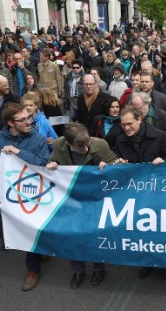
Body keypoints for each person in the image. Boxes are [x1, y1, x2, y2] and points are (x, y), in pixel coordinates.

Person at [0, 103, 49, 291]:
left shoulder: (38, 138)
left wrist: (18, 151)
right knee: (21, 231)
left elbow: (43, 164)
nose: (29, 121)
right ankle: (39, 250)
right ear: (10, 122)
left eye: (29, 117)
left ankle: (32, 269)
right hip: (9, 196)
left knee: (30, 229)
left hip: (33, 194)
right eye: (23, 120)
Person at [46, 122, 118, 289]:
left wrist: (108, 167)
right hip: (72, 199)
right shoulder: (58, 145)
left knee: (95, 234)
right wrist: (51, 165)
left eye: (87, 144)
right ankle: (78, 270)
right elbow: (52, 161)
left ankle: (98, 268)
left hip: (96, 198)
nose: (86, 149)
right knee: (73, 234)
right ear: (68, 143)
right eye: (80, 147)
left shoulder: (100, 144)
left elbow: (117, 165)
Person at [113, 106, 166, 280]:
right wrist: (119, 164)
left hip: (159, 192)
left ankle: (165, 263)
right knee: (142, 232)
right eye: (123, 125)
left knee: (162, 231)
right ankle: (148, 262)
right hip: (136, 195)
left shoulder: (160, 136)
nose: (126, 128)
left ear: (140, 119)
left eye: (130, 124)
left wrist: (163, 161)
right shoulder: (120, 140)